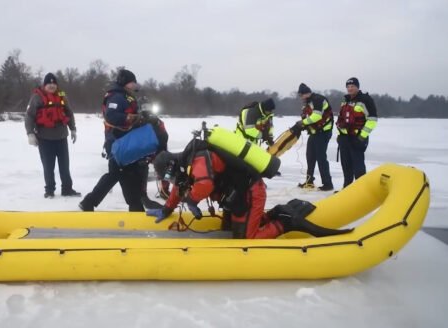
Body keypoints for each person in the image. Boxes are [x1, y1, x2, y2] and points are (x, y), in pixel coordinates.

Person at [147, 148, 351, 239]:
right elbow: (179, 188)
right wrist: (167, 209)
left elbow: (205, 185)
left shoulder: (199, 159)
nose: (170, 180)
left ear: (173, 165)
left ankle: (286, 222)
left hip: (250, 192)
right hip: (234, 196)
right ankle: (275, 214)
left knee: (247, 237)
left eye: (168, 175)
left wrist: (192, 200)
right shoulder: (185, 166)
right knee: (227, 229)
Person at [79, 69, 152, 212]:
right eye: (132, 82)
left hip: (125, 142)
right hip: (118, 142)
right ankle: (90, 202)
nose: (134, 85)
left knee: (123, 173)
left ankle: (135, 206)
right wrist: (131, 118)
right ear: (126, 82)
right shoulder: (117, 97)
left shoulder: (125, 96)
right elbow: (111, 116)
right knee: (117, 173)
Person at [25, 72, 80, 198]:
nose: (52, 85)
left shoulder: (62, 96)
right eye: (49, 83)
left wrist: (73, 129)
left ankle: (67, 189)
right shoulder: (37, 97)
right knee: (48, 166)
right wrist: (30, 133)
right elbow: (29, 116)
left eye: (54, 83)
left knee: (65, 166)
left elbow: (69, 113)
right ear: (44, 85)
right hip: (45, 138)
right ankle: (49, 191)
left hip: (61, 137)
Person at [336, 77, 378, 188]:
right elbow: (341, 118)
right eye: (348, 87)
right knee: (346, 165)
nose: (350, 89)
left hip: (358, 138)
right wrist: (340, 133)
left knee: (358, 166)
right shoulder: (345, 100)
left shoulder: (365, 100)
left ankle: (361, 190)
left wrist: (362, 136)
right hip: (345, 138)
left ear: (357, 87)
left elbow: (372, 119)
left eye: (352, 86)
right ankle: (347, 189)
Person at [291, 83, 334, 191]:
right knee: (310, 157)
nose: (301, 98)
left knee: (321, 158)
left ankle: (328, 184)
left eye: (301, 95)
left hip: (323, 133)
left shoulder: (318, 99)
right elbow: (308, 117)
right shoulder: (308, 103)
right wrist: (301, 126)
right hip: (314, 133)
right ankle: (309, 181)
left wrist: (302, 122)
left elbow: (317, 116)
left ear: (307, 93)